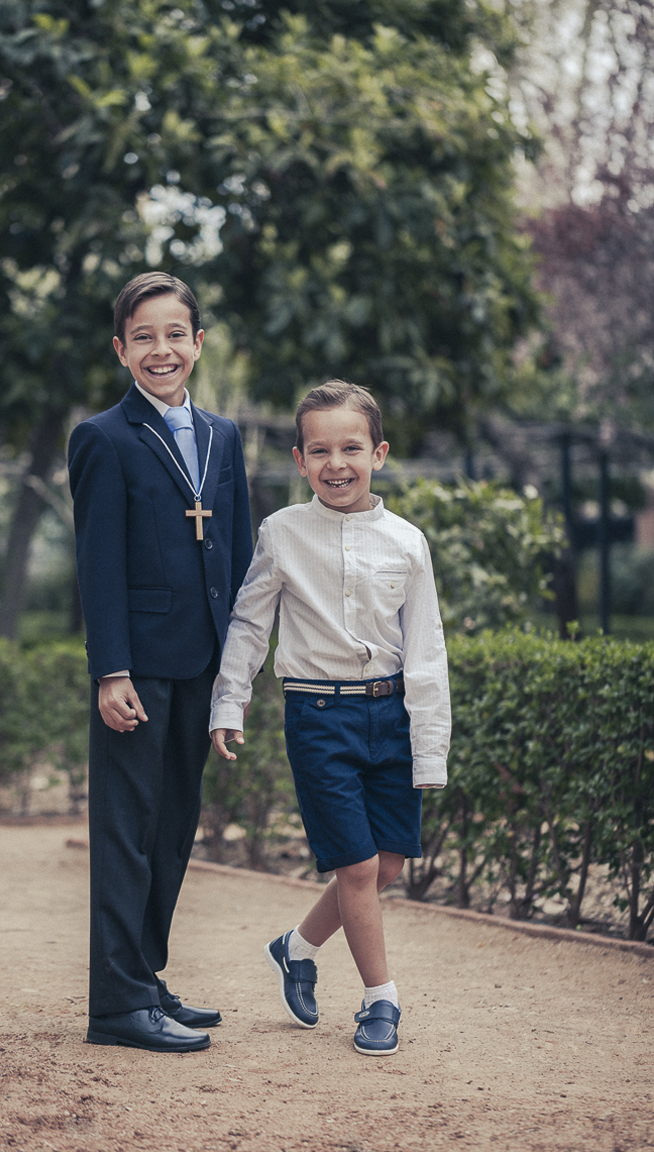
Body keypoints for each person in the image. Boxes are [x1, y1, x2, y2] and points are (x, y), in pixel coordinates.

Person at [208, 380, 450, 1057]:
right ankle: (380, 1001)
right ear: (299, 458)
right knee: (357, 868)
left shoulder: (408, 542)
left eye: (351, 448)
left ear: (379, 453)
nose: (336, 463)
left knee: (389, 864)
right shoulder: (281, 533)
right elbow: (251, 625)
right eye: (320, 451)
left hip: (392, 716)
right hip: (317, 718)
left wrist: (429, 750)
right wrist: (230, 702)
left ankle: (297, 947)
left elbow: (427, 649)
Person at [67, 272, 253, 1053]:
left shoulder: (224, 436)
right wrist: (111, 670)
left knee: (174, 826)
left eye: (175, 334)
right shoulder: (103, 438)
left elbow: (240, 552)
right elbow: (98, 564)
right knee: (127, 831)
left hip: (203, 665)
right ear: (121, 350)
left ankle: (144, 978)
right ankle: (115, 1004)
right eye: (143, 336)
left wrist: (235, 676)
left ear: (198, 343)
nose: (161, 349)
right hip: (136, 672)